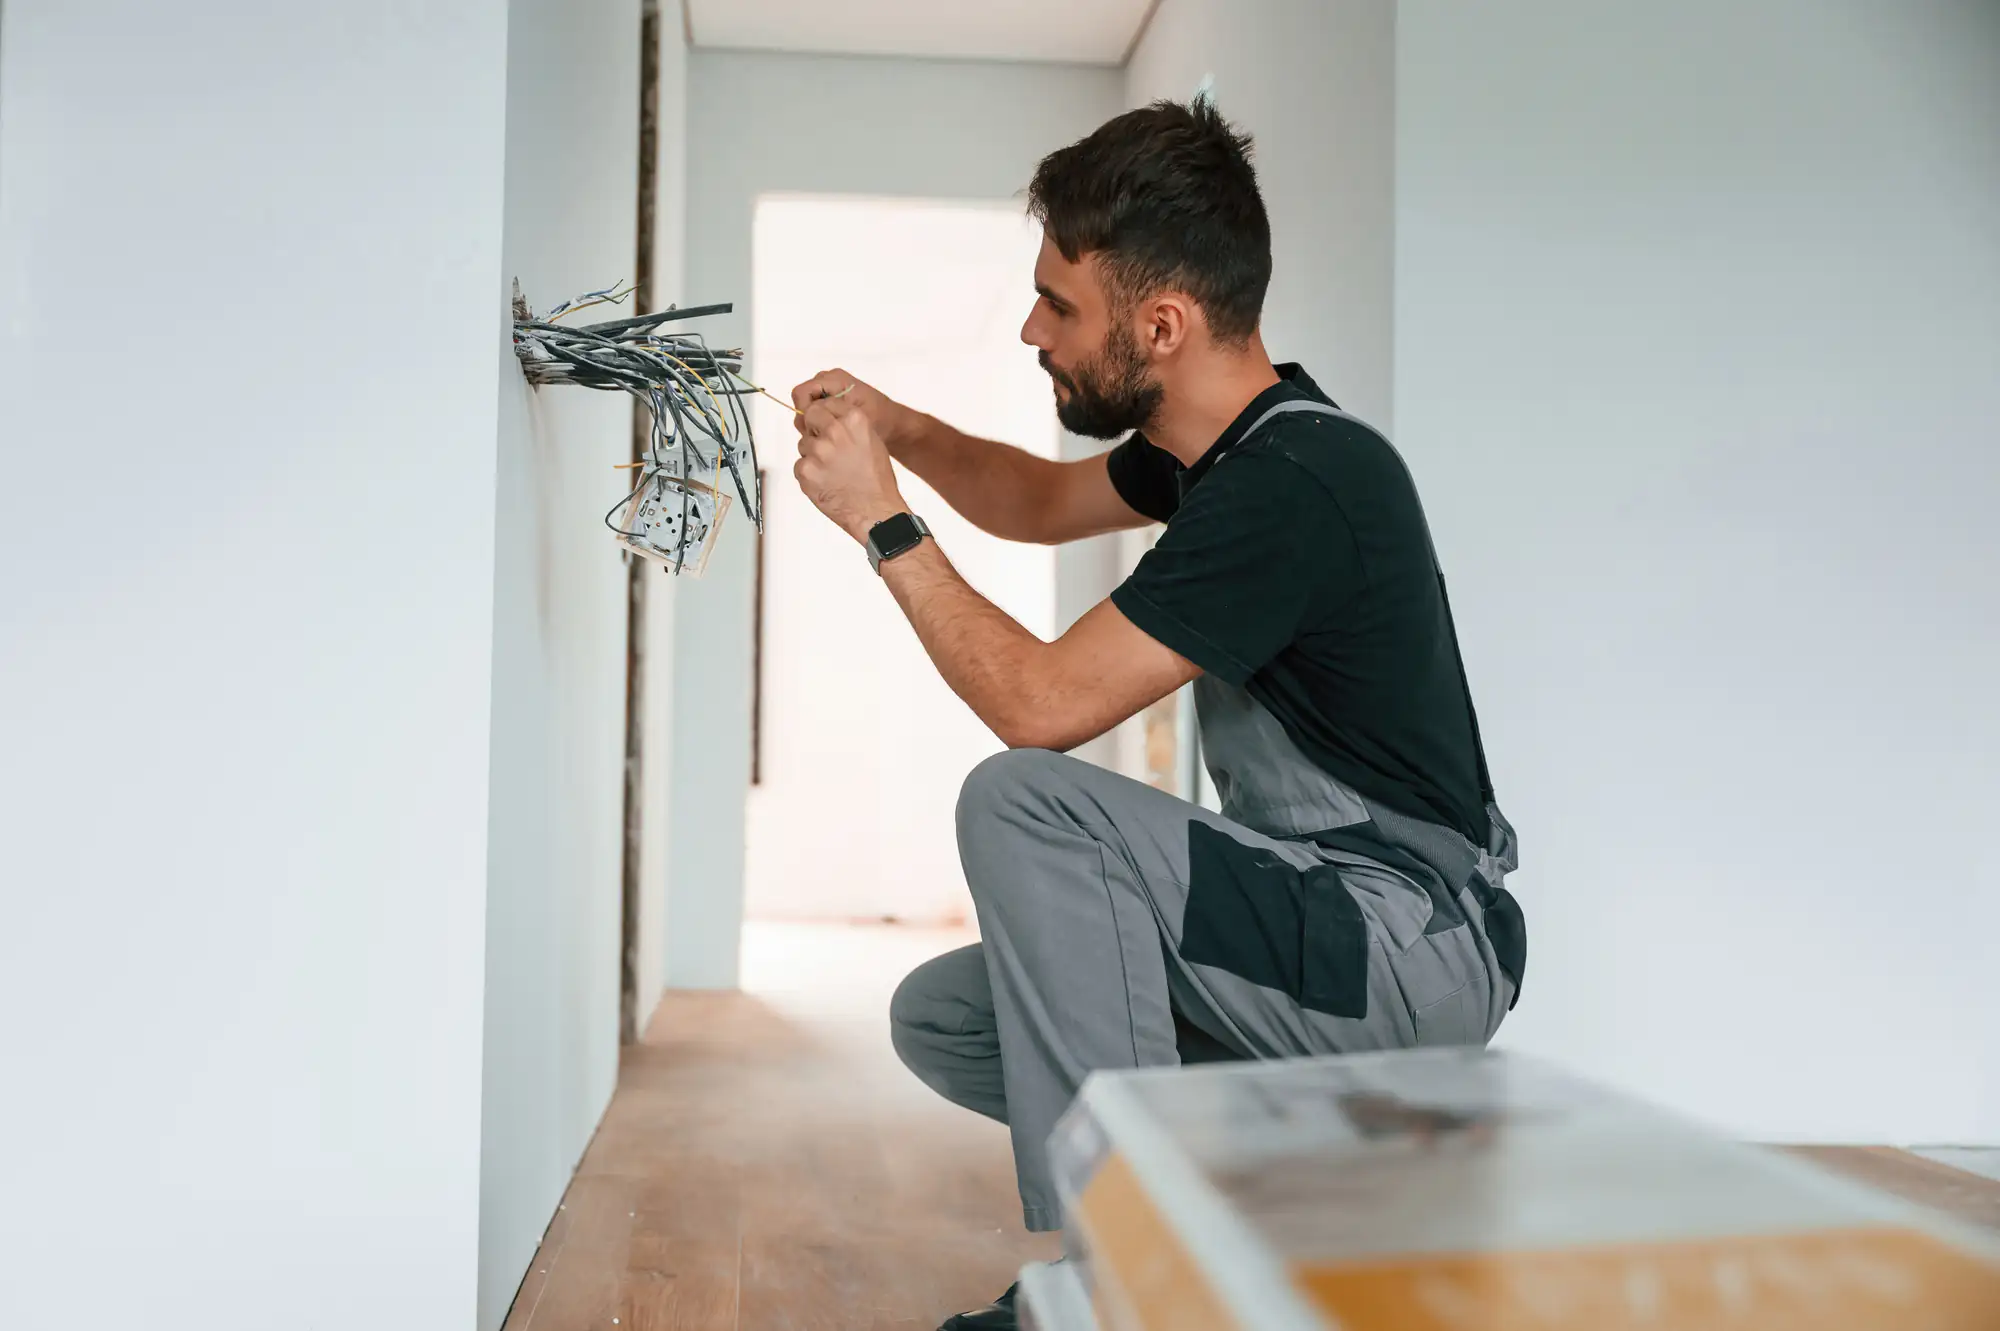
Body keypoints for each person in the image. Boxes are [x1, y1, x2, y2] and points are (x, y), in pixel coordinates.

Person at [788, 98, 1526, 1331]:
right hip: (1321, 918)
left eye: (1057, 304)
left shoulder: (1295, 484)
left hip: (1401, 945)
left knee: (1024, 801)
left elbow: (1036, 707)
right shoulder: (1218, 451)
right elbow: (1031, 497)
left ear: (1161, 323)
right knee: (952, 1018)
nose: (1032, 328)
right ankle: (1267, 1229)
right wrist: (903, 434)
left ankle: (1113, 1290)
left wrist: (881, 520)